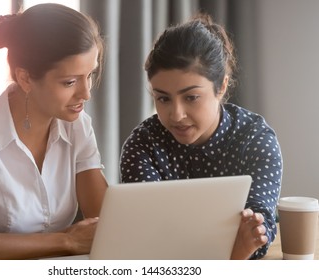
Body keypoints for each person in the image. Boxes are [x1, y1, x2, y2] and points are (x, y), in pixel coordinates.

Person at [0, 3, 108, 259]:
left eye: (90, 75)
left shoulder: (77, 127)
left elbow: (106, 223)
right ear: (25, 78)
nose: (86, 93)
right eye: (70, 82)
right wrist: (66, 241)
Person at [120, 14, 282, 260]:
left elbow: (258, 236)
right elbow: (151, 239)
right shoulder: (143, 145)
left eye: (191, 97)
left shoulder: (255, 138)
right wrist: (232, 254)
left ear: (222, 87)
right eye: (163, 98)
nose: (176, 115)